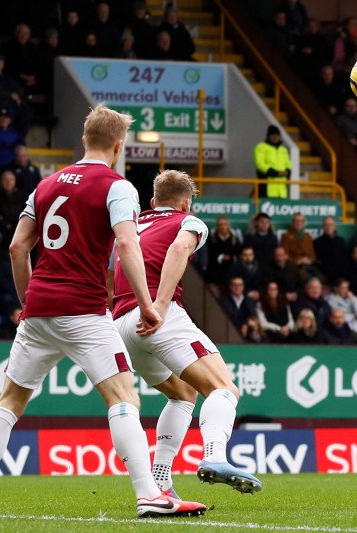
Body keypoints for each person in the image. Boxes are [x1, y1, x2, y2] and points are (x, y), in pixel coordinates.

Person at [0, 106, 205, 518]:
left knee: (10, 401)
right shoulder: (117, 186)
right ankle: (149, 495)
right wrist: (147, 304)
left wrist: (28, 301)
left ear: (83, 140)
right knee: (122, 395)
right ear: (118, 145)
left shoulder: (45, 185)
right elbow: (127, 246)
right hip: (85, 311)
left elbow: (18, 248)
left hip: (39, 310)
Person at [110, 169, 261, 496]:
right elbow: (179, 250)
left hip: (121, 323)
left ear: (152, 201)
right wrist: (159, 307)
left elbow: (114, 268)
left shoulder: (132, 226)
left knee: (182, 394)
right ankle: (215, 457)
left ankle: (160, 479)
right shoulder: (188, 221)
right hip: (155, 316)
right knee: (224, 389)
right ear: (186, 202)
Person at [254, 125, 290, 198]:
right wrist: (275, 173)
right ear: (268, 136)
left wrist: (287, 171)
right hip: (267, 190)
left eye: (277, 135)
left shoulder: (283, 149)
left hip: (281, 192)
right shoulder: (261, 147)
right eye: (273, 135)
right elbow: (260, 164)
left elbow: (288, 164)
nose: (275, 137)